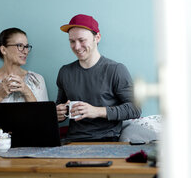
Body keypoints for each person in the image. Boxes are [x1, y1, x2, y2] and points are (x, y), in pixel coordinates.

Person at [56, 14, 141, 142]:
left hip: (107, 140)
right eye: (72, 41)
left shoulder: (116, 70)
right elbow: (60, 105)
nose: (77, 46)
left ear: (97, 37)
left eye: (82, 40)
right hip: (72, 141)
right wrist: (58, 113)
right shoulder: (65, 72)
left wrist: (97, 111)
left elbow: (135, 108)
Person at [0, 27, 48, 143]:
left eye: (27, 46)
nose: (25, 51)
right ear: (3, 50)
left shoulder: (37, 80)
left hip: (29, 145)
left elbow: (43, 122)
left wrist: (27, 91)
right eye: (20, 46)